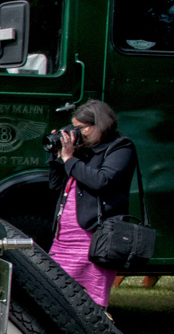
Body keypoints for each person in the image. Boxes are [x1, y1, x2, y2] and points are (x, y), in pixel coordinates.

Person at [47, 99, 137, 308]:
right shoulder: (82, 151)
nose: (77, 133)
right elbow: (55, 184)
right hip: (64, 237)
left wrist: (70, 159)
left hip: (94, 238)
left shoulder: (120, 147)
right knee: (55, 294)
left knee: (89, 303)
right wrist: (57, 156)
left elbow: (101, 181)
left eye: (81, 128)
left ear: (100, 124)